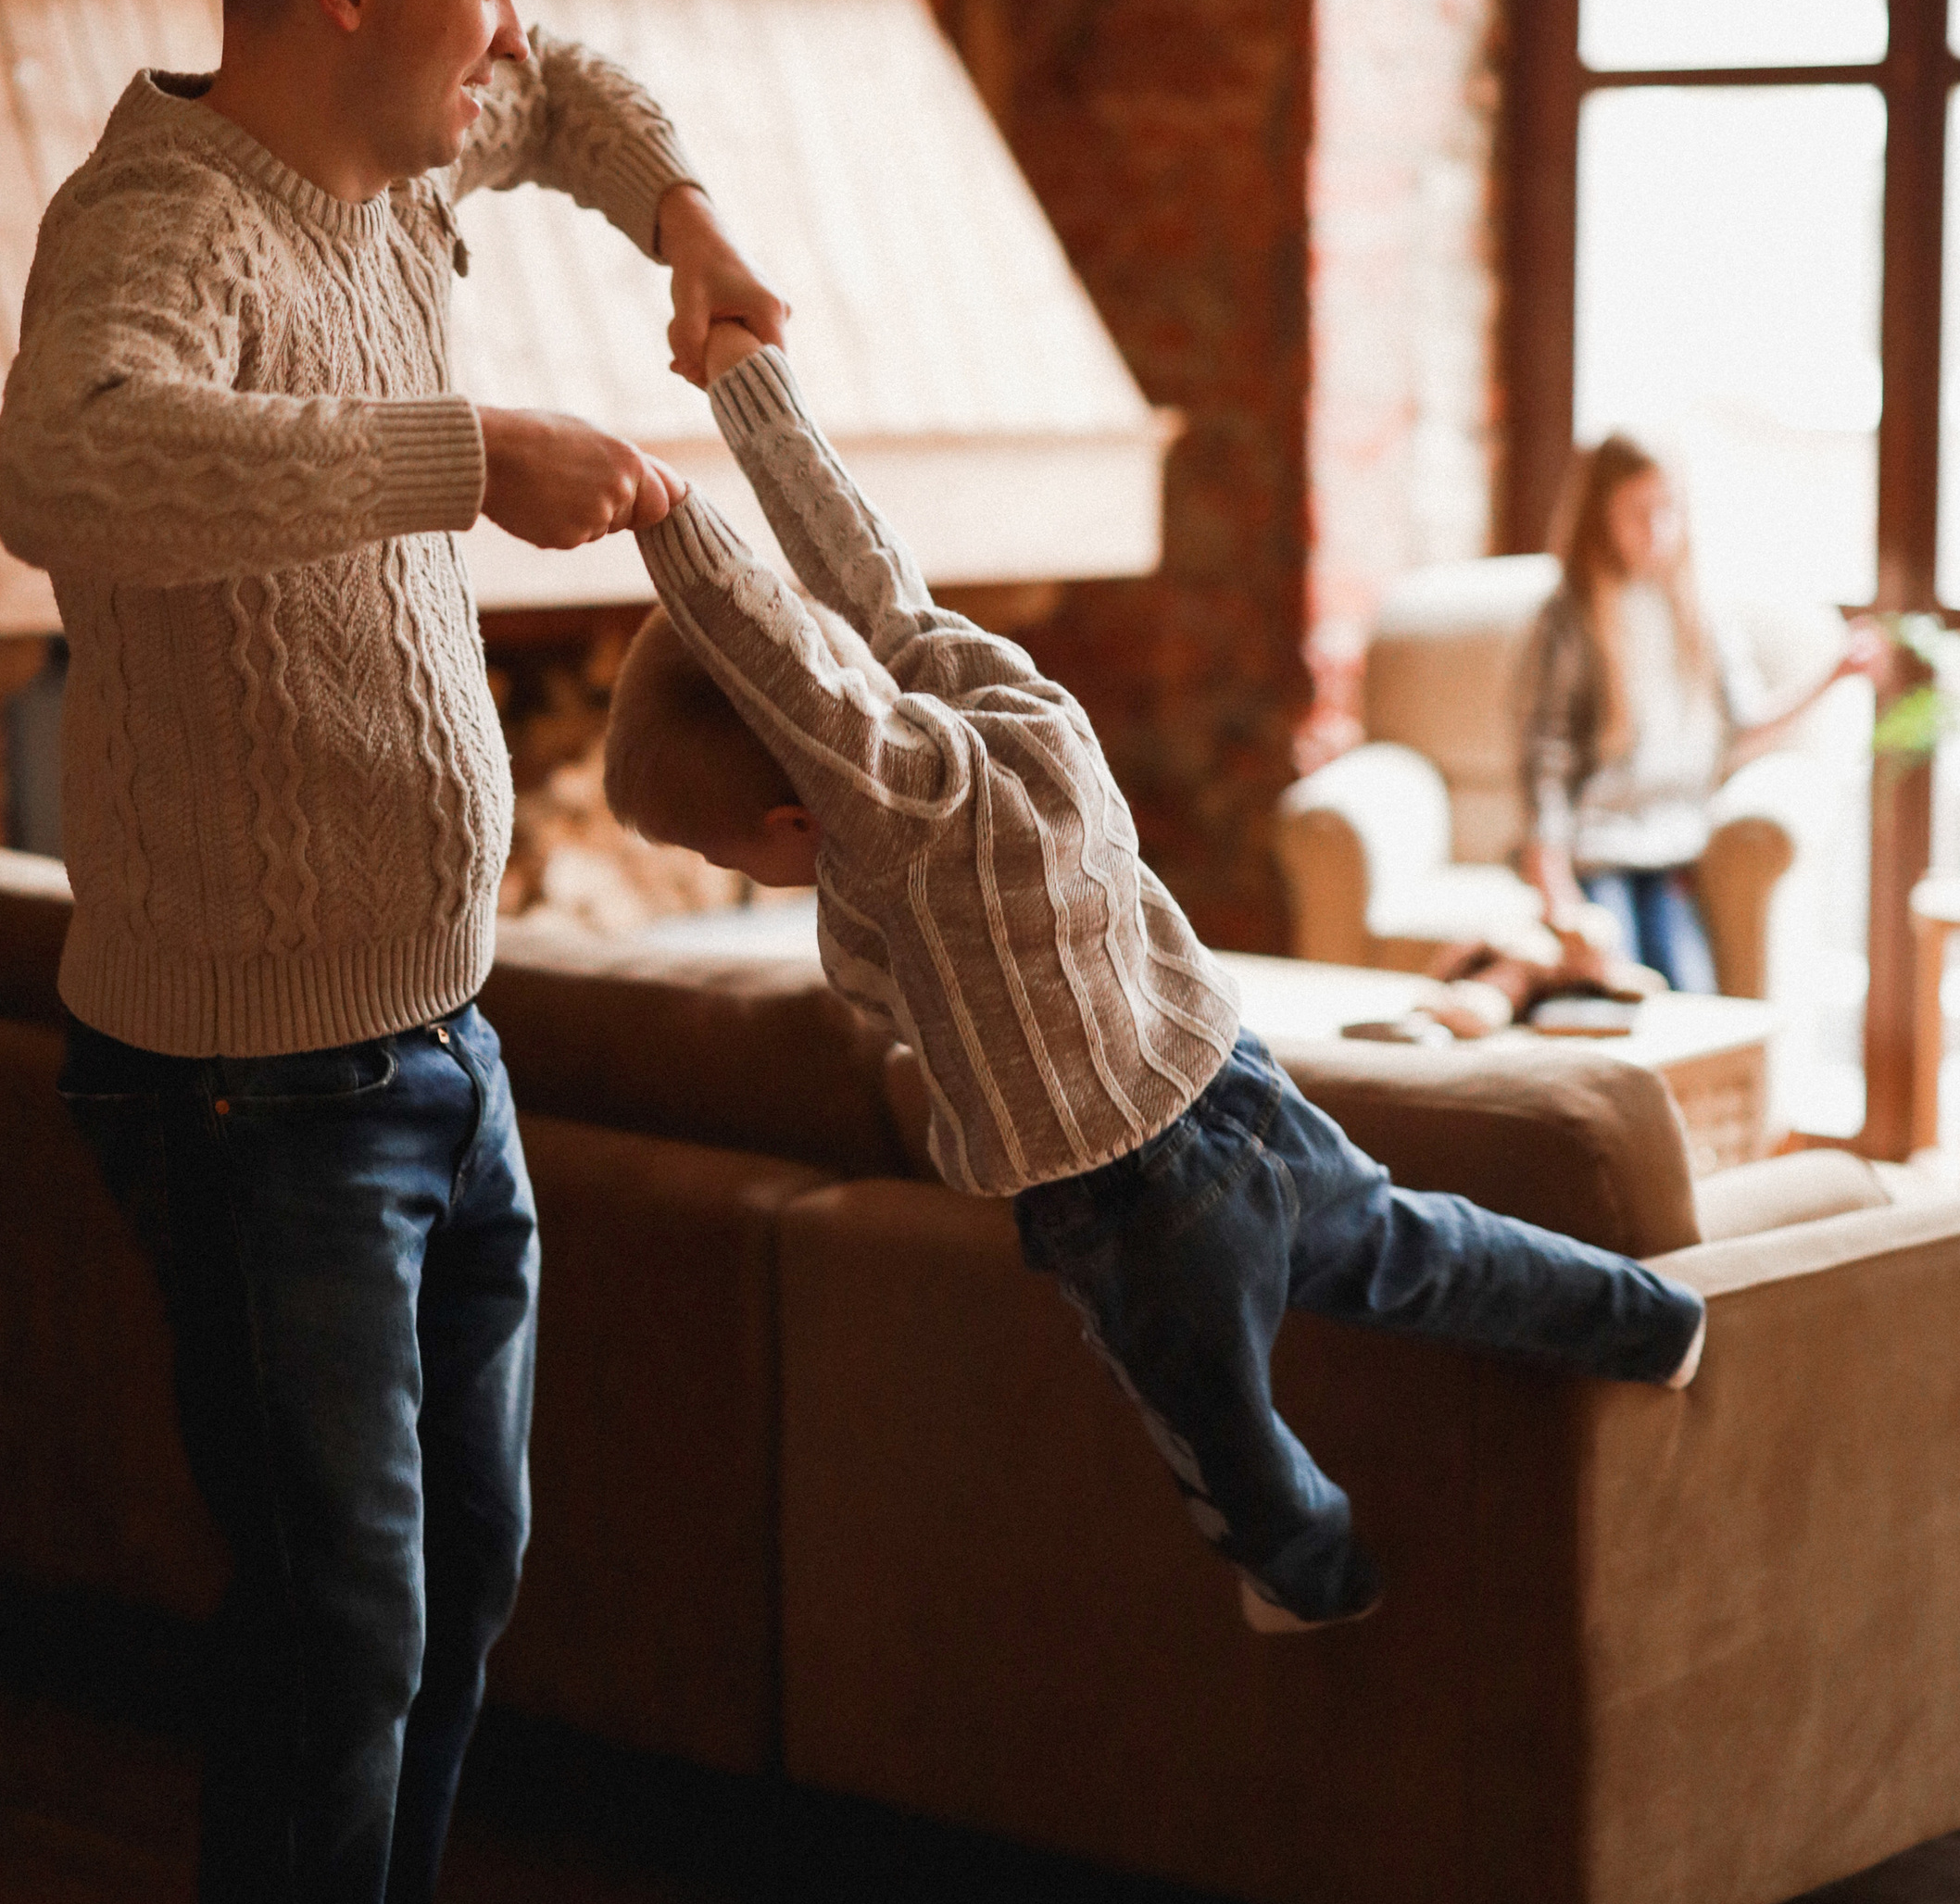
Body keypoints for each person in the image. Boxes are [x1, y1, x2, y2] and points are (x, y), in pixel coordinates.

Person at [0, 0, 785, 1904]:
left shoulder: (422, 154)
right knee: (338, 1628)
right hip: (254, 1091)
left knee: (456, 1603)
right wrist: (471, 458)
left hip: (441, 1051)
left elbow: (589, 103)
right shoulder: (159, 222)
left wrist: (685, 223)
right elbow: (68, 471)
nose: (520, 29)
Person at [601, 324, 1706, 1645]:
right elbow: (849, 565)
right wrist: (744, 380)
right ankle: (1647, 1321)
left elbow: (789, 679)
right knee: (1421, 1250)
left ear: (799, 815)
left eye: (718, 850)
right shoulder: (962, 681)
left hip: (1128, 1203)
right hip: (1234, 1087)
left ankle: (1321, 1577)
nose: (729, 869)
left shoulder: (912, 821)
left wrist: (663, 516)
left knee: (1216, 1429)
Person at [1519, 432, 1881, 993]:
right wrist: (1556, 892)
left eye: (1668, 511)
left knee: (1690, 991)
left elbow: (1742, 731)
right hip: (1597, 855)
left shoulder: (1701, 614)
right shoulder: (1569, 621)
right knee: (1611, 985)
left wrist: (1832, 677)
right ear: (1600, 514)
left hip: (1671, 856)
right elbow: (1546, 763)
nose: (1657, 531)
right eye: (1638, 513)